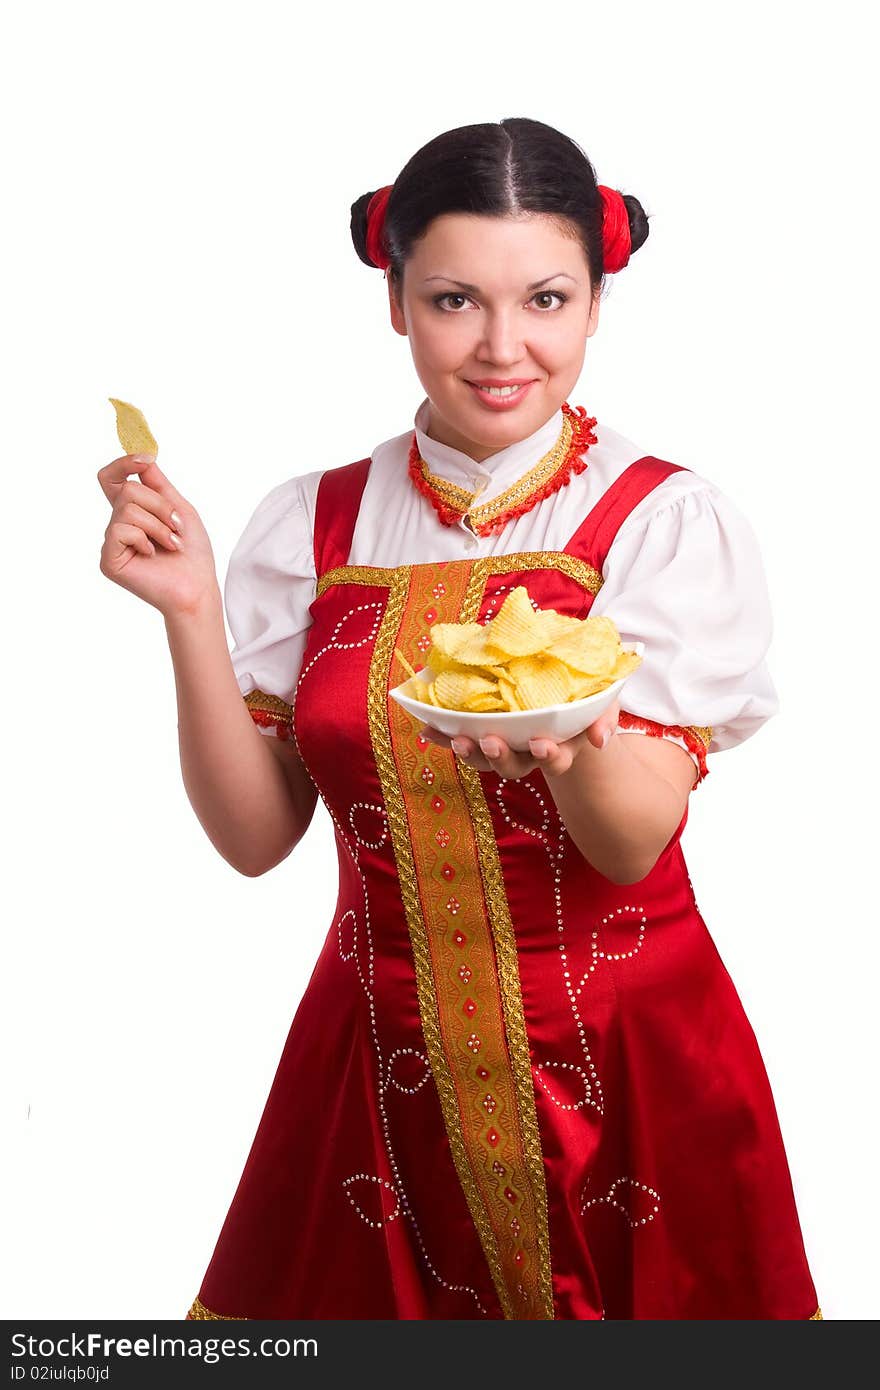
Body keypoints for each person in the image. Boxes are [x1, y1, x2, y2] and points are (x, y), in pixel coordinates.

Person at [98, 117, 822, 1320]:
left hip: (624, 1060)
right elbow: (254, 836)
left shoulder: (660, 521)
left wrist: (572, 739)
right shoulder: (314, 524)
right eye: (452, 301)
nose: (502, 347)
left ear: (595, 305)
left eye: (544, 299)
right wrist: (186, 610)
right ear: (395, 303)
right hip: (376, 1060)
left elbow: (631, 841)